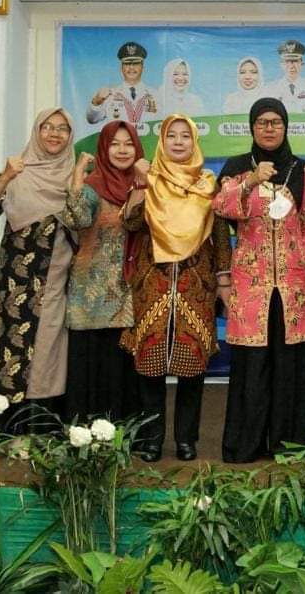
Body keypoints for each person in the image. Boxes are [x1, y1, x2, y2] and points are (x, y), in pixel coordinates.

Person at [214, 98, 305, 462]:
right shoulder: (236, 168)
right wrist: (250, 181)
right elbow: (221, 208)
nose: (269, 128)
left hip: (293, 286)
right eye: (262, 122)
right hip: (250, 287)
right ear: (252, 127)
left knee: (288, 365)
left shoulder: (301, 169)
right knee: (253, 365)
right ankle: (246, 446)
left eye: (276, 122)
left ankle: (288, 446)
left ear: (285, 126)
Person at [119, 114, 231, 462]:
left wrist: (223, 280)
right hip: (153, 285)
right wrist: (141, 186)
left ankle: (186, 439)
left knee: (192, 368)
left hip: (195, 285)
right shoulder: (149, 178)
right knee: (149, 366)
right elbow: (131, 222)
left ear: (194, 142)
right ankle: (152, 440)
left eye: (185, 136)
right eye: (172, 136)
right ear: (162, 142)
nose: (179, 142)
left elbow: (221, 236)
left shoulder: (208, 184)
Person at [0, 108, 75, 432]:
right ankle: (6, 427)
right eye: (48, 127)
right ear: (37, 131)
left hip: (55, 276)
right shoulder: (16, 171)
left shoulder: (74, 174)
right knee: (10, 349)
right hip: (15, 282)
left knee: (48, 350)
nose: (55, 134)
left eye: (62, 129)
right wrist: (5, 177)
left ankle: (42, 429)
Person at [61, 120, 145, 423]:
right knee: (90, 367)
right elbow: (78, 220)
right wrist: (76, 177)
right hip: (91, 295)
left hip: (129, 292)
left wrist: (142, 185)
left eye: (128, 144)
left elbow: (138, 224)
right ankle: (85, 433)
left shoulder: (146, 184)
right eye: (114, 144)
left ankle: (123, 433)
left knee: (122, 368)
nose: (122, 150)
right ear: (103, 149)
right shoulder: (92, 187)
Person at [86, 41, 158, 127]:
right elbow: (92, 119)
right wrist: (96, 101)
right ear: (121, 68)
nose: (131, 67)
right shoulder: (110, 95)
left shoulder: (156, 94)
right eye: (127, 63)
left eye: (136, 63)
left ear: (143, 67)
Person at [267, 40, 305, 114]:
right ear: (281, 65)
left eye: (295, 61)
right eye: (287, 61)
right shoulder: (271, 89)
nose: (291, 66)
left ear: (302, 64)